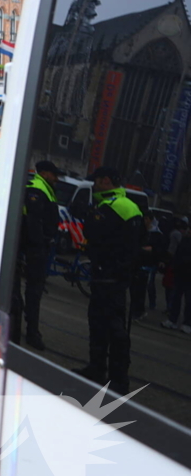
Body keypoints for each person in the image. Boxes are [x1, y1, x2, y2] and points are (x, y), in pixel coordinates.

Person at [77, 167, 142, 394]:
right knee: (100, 323)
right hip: (112, 276)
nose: (94, 185)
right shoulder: (126, 206)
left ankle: (117, 378)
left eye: (96, 181)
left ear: (105, 181)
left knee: (112, 328)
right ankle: (100, 370)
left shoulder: (113, 207)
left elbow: (93, 232)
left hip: (109, 277)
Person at [10, 160, 60, 350]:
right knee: (32, 293)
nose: (56, 179)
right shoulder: (37, 188)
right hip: (33, 250)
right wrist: (39, 246)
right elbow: (34, 223)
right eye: (54, 175)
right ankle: (30, 333)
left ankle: (27, 330)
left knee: (31, 292)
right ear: (46, 173)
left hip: (33, 249)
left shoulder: (42, 187)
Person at [133, 214, 165, 322]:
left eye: (147, 219)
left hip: (148, 265)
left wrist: (152, 250)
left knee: (143, 288)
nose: (145, 221)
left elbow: (158, 250)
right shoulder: (142, 231)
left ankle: (141, 310)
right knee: (137, 289)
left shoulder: (157, 235)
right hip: (139, 263)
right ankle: (137, 310)